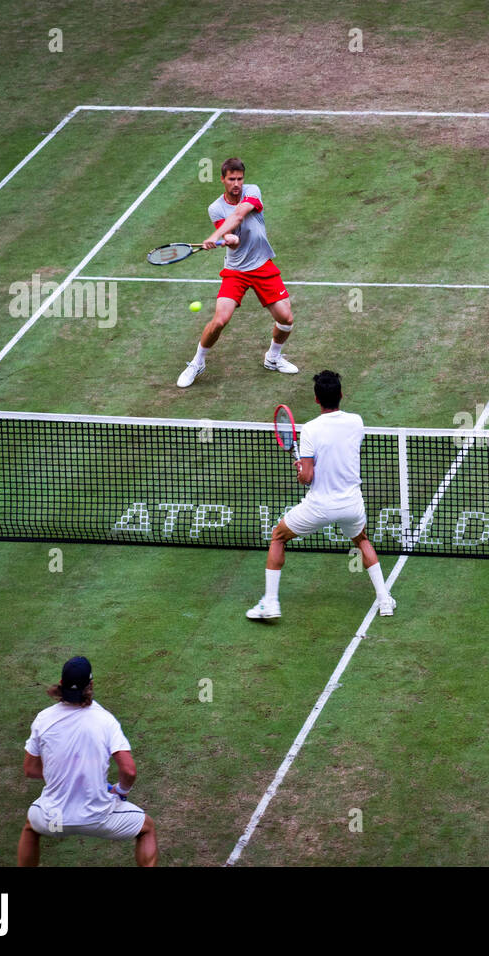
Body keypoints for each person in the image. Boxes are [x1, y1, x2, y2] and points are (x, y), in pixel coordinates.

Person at [248, 370, 396, 620]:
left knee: (278, 537)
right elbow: (339, 454)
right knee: (361, 540)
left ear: (316, 400)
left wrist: (302, 471)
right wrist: (311, 466)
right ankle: (384, 601)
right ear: (340, 394)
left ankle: (271, 603)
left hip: (319, 507)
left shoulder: (310, 430)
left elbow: (307, 477)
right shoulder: (356, 422)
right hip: (351, 504)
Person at [17, 656, 158, 866]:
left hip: (54, 821)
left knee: (31, 827)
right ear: (90, 686)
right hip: (99, 820)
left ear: (61, 684)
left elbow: (30, 769)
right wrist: (120, 791)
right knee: (147, 828)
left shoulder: (43, 719)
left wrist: (62, 771)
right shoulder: (105, 720)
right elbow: (129, 770)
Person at [177, 157, 299, 387]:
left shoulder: (252, 191)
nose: (236, 184)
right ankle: (197, 362)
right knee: (220, 320)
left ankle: (273, 357)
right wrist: (228, 239)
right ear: (222, 179)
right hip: (236, 270)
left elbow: (239, 215)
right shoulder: (215, 208)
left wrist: (214, 238)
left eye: (239, 179)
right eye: (231, 179)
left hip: (262, 263)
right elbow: (231, 238)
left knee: (286, 319)